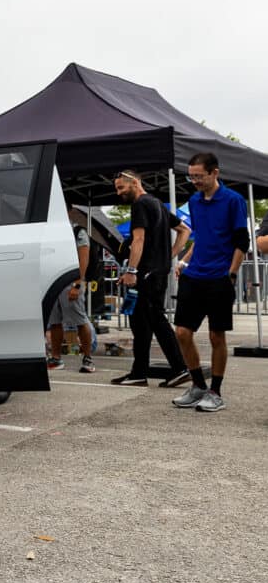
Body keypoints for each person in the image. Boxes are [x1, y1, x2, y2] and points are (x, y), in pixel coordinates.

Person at [171, 153, 249, 412]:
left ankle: (215, 392)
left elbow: (242, 241)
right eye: (191, 176)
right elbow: (202, 236)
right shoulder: (194, 200)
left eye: (199, 176)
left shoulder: (233, 200)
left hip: (220, 276)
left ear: (215, 173)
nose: (194, 181)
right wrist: (185, 261)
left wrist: (232, 273)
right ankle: (197, 386)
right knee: (182, 332)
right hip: (195, 275)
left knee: (217, 335)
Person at [112, 170, 191, 387]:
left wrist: (131, 271)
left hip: (146, 273)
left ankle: (180, 367)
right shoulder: (157, 203)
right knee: (140, 323)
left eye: (121, 187)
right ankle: (139, 372)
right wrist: (169, 256)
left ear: (135, 183)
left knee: (155, 318)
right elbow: (184, 230)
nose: (119, 193)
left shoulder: (140, 204)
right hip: (156, 272)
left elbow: (138, 240)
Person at [46, 223, 96, 373]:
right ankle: (56, 358)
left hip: (71, 282)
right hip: (53, 281)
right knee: (54, 322)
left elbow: (84, 258)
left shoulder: (77, 232)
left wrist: (78, 284)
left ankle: (88, 358)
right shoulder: (50, 230)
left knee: (79, 320)